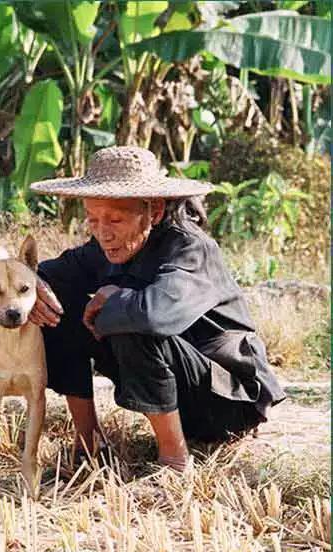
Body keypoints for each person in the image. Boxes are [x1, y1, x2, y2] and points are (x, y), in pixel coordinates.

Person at [28, 146, 285, 471]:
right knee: (55, 308)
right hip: (174, 392)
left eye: (116, 220)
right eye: (93, 219)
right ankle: (89, 444)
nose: (104, 233)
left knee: (130, 321)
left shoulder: (190, 249)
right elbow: (55, 273)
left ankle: (174, 461)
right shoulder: (107, 246)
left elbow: (155, 315)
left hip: (226, 403)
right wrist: (34, 285)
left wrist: (113, 297)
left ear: (155, 211)